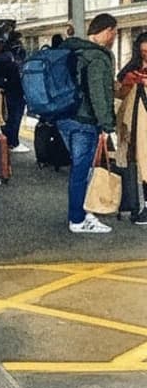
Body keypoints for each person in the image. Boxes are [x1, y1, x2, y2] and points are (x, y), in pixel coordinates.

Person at [58, 13, 119, 234]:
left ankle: (82, 211)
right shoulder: (97, 57)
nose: (113, 37)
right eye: (114, 32)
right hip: (84, 122)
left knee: (79, 168)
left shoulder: (71, 49)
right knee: (82, 170)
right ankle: (78, 219)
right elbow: (98, 94)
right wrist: (107, 124)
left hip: (64, 117)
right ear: (107, 31)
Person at [115, 32, 147, 225]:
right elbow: (119, 94)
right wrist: (128, 84)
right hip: (132, 124)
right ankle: (137, 205)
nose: (146, 55)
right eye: (143, 51)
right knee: (138, 164)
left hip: (143, 124)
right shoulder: (131, 69)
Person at [0, 32, 31, 153]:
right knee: (15, 116)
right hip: (17, 90)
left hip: (2, 90)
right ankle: (13, 142)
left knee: (5, 116)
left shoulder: (1, 54)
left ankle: (7, 141)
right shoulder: (19, 53)